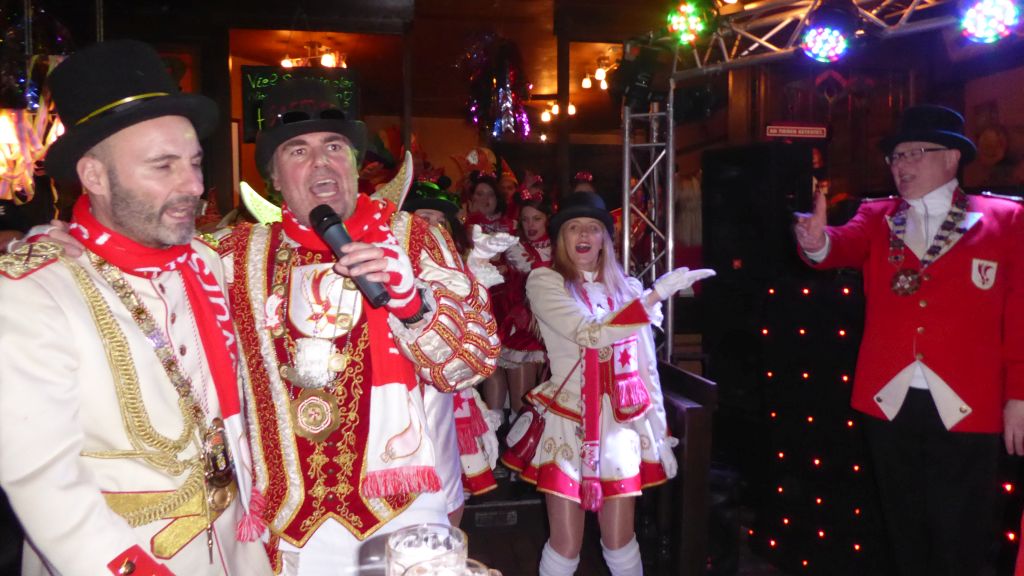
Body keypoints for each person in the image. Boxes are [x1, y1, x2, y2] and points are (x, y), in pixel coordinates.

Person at [0, 40, 271, 575]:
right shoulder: (33, 292)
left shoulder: (208, 261)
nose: (193, 186)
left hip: (238, 551)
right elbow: (43, 480)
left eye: (194, 163)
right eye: (162, 166)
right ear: (95, 177)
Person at [216, 79, 501, 574]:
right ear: (275, 178)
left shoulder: (415, 239)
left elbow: (473, 362)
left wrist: (413, 306)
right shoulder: (235, 257)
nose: (320, 162)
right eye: (298, 151)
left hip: (403, 515)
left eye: (335, 147)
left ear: (354, 164)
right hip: (287, 529)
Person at [794, 104, 1024, 576]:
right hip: (890, 399)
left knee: (962, 536)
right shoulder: (877, 216)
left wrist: (1019, 394)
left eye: (915, 153)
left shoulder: (1006, 219)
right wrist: (817, 242)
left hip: (969, 400)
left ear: (953, 158)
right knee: (902, 533)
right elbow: (840, 244)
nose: (902, 165)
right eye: (896, 156)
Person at [512, 191, 714, 576]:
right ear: (561, 238)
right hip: (569, 423)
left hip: (620, 426)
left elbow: (645, 368)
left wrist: (659, 433)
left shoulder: (628, 290)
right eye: (573, 227)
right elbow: (588, 333)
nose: (583, 234)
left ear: (605, 239)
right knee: (566, 545)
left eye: (593, 228)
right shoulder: (545, 281)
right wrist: (655, 297)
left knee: (620, 542)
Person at [398, 176, 506, 513]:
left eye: (438, 219)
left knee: (451, 479)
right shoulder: (390, 264)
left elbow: (481, 330)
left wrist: (477, 270)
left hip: (446, 384)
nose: (431, 226)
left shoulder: (458, 266)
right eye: (423, 218)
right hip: (400, 389)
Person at [501, 182, 554, 419]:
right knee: (522, 406)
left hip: (558, 329)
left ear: (548, 219)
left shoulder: (562, 247)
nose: (531, 225)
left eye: (537, 218)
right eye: (525, 219)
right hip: (527, 330)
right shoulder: (516, 250)